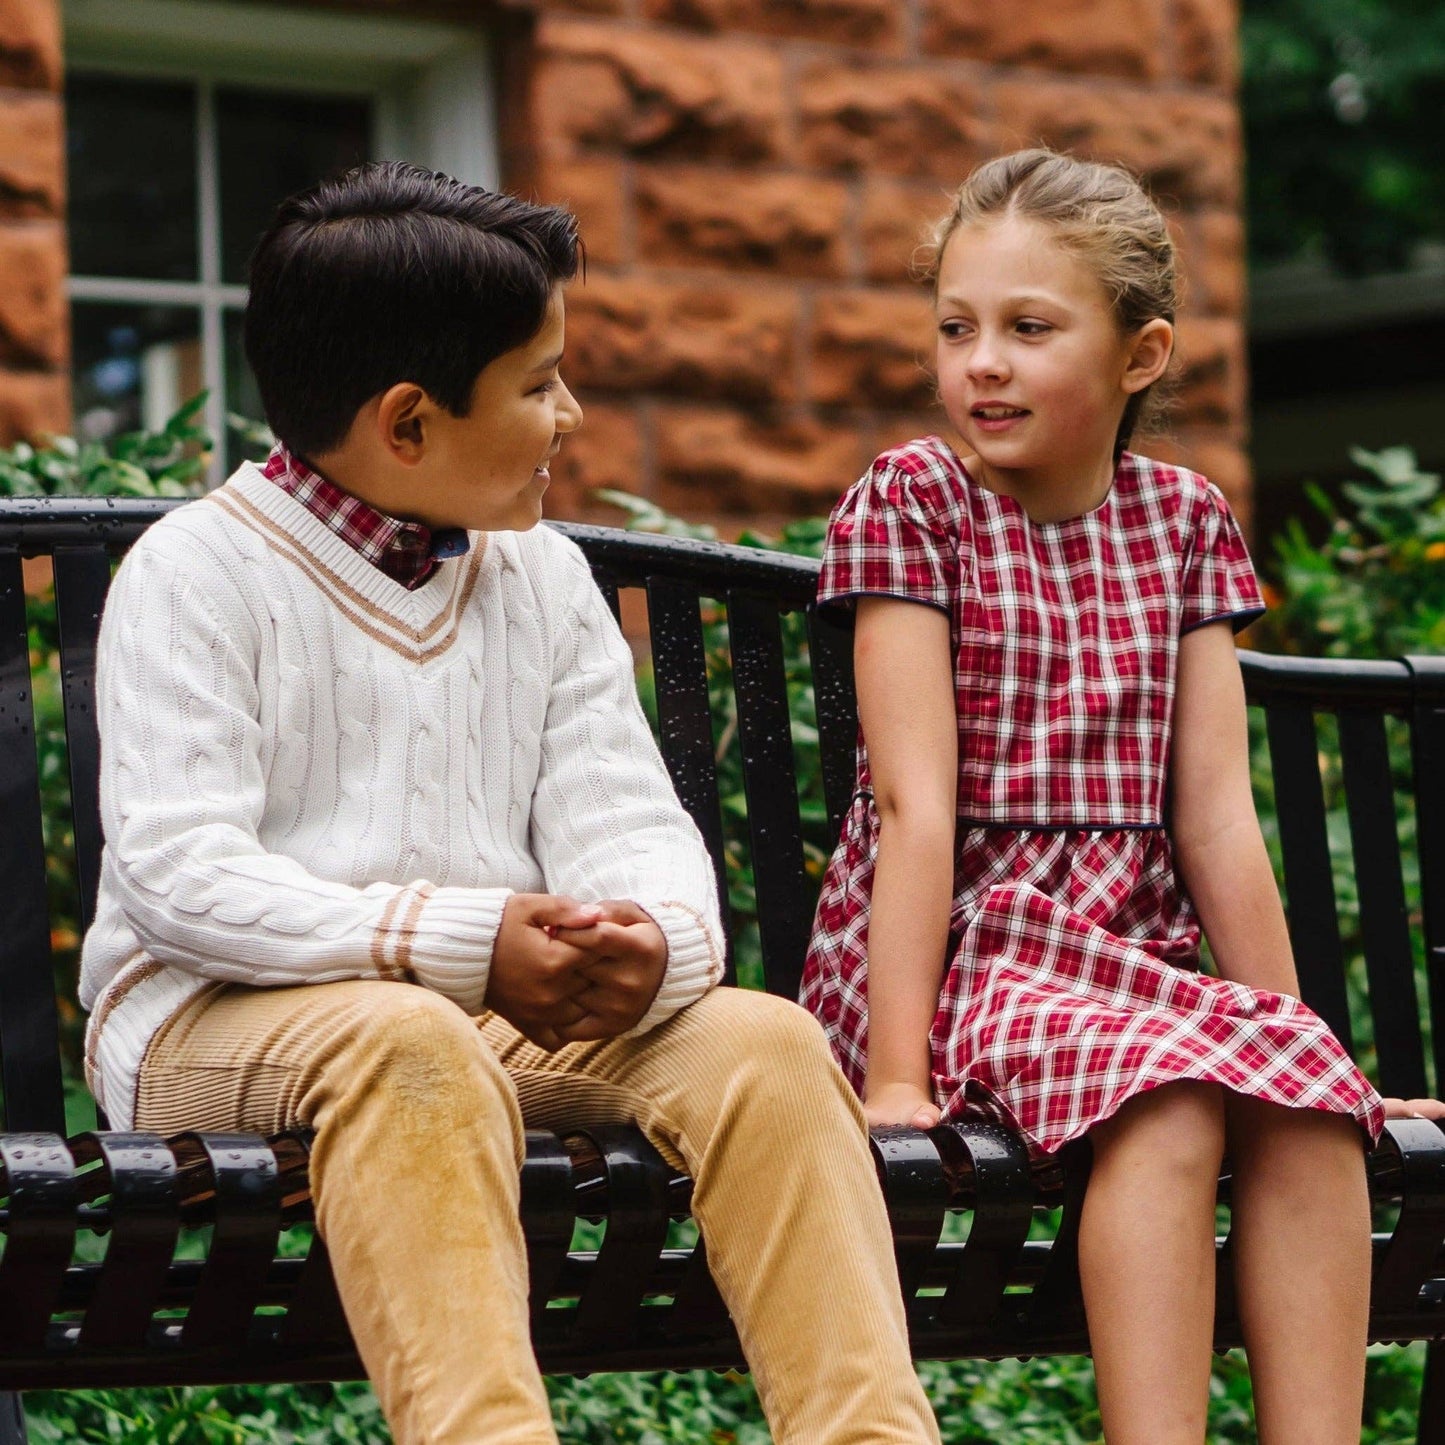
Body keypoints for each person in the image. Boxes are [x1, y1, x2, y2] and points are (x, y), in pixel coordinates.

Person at [79, 161, 942, 1445]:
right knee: (406, 1041)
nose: (572, 413)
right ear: (409, 423)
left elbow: (636, 831)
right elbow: (180, 878)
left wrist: (654, 943)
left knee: (760, 1043)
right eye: (539, 384)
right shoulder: (197, 574)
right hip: (210, 1025)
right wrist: (465, 942)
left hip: (479, 1019)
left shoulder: (539, 576)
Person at [799, 148, 1438, 1445]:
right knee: (1168, 1094)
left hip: (1122, 963)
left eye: (1029, 329)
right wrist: (896, 1080)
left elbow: (1212, 815)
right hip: (959, 950)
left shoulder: (1182, 519)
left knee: (1302, 1106)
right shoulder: (914, 502)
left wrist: (1313, 1051)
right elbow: (916, 807)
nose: (981, 361)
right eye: (956, 327)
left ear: (1139, 354)